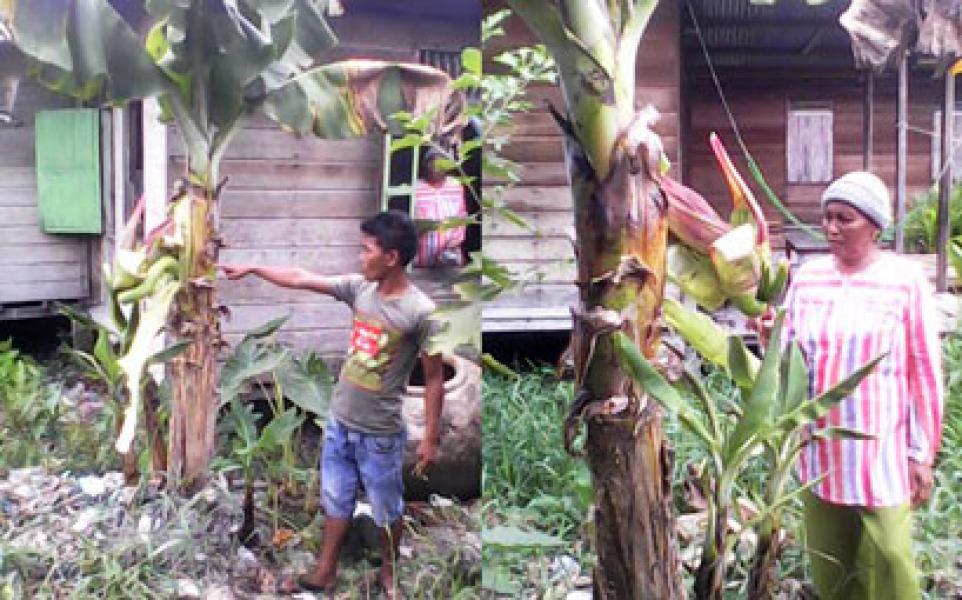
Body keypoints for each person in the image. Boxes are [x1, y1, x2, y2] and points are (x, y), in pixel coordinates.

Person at [220, 211, 444, 598]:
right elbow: (302, 277)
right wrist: (254, 268)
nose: (360, 258)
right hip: (340, 421)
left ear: (391, 257)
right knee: (335, 498)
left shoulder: (421, 312)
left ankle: (390, 574)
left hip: (380, 433)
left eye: (366, 250)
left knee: (386, 507)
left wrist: (431, 439)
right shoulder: (360, 290)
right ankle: (325, 572)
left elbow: (436, 378)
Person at [771, 171, 944, 599]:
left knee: (891, 560)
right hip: (820, 447)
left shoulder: (904, 281)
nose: (830, 227)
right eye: (827, 217)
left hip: (881, 449)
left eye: (844, 218)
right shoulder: (808, 279)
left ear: (874, 225)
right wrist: (765, 336)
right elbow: (789, 356)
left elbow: (924, 368)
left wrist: (922, 454)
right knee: (834, 566)